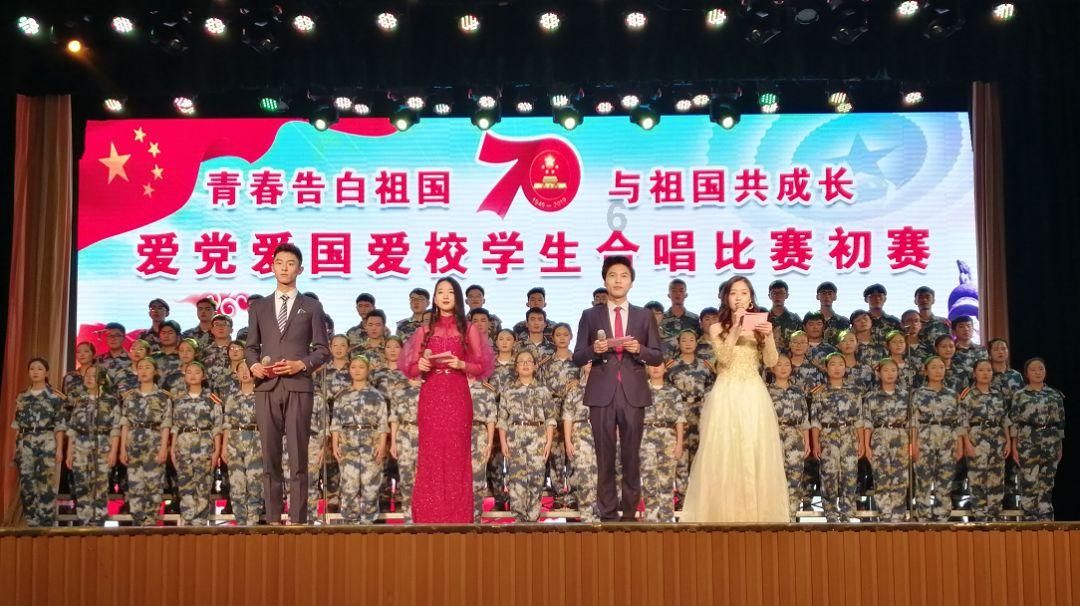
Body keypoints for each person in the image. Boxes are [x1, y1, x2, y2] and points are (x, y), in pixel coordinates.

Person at [679, 275, 788, 523]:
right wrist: (736, 327)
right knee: (725, 451)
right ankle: (723, 514)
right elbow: (724, 359)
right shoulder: (717, 327)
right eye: (733, 293)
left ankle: (757, 515)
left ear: (751, 299)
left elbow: (771, 361)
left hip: (753, 393)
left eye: (744, 293)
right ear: (726, 298)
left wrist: (769, 336)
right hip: (726, 393)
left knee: (754, 449)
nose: (738, 298)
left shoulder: (761, 325)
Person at [244, 242, 331, 524]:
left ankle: (298, 520)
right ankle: (271, 519)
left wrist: (300, 364)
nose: (284, 268)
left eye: (290, 263)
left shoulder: (312, 306)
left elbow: (323, 350)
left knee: (297, 456)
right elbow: (250, 347)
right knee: (269, 456)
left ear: (300, 269)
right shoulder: (259, 306)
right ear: (272, 267)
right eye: (279, 263)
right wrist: (254, 365)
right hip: (267, 387)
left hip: (298, 386)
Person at [572, 255, 663, 522]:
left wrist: (639, 349)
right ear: (605, 281)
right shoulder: (590, 315)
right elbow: (577, 356)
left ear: (631, 282)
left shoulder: (644, 315)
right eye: (612, 276)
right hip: (602, 393)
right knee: (605, 456)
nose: (618, 281)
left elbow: (657, 355)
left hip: (633, 392)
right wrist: (594, 349)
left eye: (624, 276)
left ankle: (630, 514)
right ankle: (608, 514)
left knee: (631, 456)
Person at [398, 276, 494, 523]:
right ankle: (428, 515)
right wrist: (421, 365)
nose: (445, 296)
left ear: (457, 297)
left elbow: (482, 365)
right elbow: (410, 367)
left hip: (457, 394)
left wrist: (461, 364)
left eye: (450, 292)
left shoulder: (468, 329)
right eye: (440, 291)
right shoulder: (424, 331)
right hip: (431, 395)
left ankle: (457, 516)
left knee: (457, 454)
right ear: (435, 297)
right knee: (430, 454)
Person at [497, 350, 556, 522]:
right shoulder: (508, 390)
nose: (525, 364)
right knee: (516, 479)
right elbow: (502, 420)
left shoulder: (543, 390)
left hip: (538, 438)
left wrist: (548, 443)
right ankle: (518, 519)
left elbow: (550, 419)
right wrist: (503, 443)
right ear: (516, 367)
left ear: (535, 366)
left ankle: (533, 519)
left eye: (529, 361)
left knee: (536, 478)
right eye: (521, 361)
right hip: (514, 437)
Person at [331, 355, 390, 523]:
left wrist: (382, 445)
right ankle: (350, 523)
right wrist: (335, 445)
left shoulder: (376, 395)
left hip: (370, 444)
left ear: (368, 370)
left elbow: (382, 423)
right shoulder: (342, 396)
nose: (357, 370)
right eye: (353, 367)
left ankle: (368, 522)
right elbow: (336, 423)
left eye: (361, 367)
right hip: (348, 444)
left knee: (370, 486)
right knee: (349, 486)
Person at [166, 361, 223, 526]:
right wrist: (172, 449)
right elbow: (175, 426)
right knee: (185, 485)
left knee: (203, 485)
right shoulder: (178, 399)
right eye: (189, 372)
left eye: (197, 372)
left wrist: (216, 452)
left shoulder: (212, 399)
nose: (192, 375)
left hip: (204, 445)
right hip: (183, 446)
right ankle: (187, 521)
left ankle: (200, 523)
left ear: (203, 376)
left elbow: (217, 427)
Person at [1008, 358, 1065, 521]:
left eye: (1041, 369)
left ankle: (1046, 523)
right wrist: (1014, 446)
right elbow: (1014, 422)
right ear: (1026, 374)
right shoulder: (1020, 395)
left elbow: (1060, 423)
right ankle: (1029, 524)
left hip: (1051, 443)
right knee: (1029, 484)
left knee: (1047, 485)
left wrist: (1060, 445)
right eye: (1033, 370)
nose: (1037, 372)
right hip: (1028, 443)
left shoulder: (1055, 395)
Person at [811, 353, 864, 523]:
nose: (837, 367)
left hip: (849, 436)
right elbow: (815, 421)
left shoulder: (854, 392)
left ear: (845, 368)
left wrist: (862, 442)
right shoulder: (819, 392)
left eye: (840, 364)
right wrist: (815, 444)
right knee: (829, 475)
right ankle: (831, 512)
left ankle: (847, 511)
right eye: (832, 364)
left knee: (850, 474)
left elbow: (859, 420)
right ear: (826, 368)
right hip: (828, 436)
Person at [13, 358, 67, 526]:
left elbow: (59, 426)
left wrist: (59, 449)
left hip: (46, 441)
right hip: (25, 443)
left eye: (39, 368)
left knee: (46, 483)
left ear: (46, 372)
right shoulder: (22, 397)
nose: (35, 372)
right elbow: (17, 425)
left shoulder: (55, 397)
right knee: (27, 485)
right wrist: (16, 448)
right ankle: (31, 523)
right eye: (32, 369)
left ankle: (46, 523)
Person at [910, 356, 964, 522]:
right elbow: (913, 422)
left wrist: (960, 445)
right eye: (933, 367)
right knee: (923, 481)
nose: (938, 370)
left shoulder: (952, 395)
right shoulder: (918, 394)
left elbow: (959, 421)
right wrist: (913, 444)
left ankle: (942, 517)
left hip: (948, 440)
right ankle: (923, 518)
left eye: (941, 367)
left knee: (945, 481)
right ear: (926, 371)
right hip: (924, 439)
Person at [64, 365, 120, 525]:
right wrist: (70, 452)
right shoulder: (80, 400)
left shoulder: (111, 401)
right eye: (87, 375)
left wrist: (113, 452)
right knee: (82, 486)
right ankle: (84, 523)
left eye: (93, 375)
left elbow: (115, 429)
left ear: (101, 380)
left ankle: (98, 524)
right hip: (80, 448)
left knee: (100, 487)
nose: (88, 378)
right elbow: (73, 428)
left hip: (102, 446)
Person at [118, 357, 171, 526]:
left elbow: (166, 424)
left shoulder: (162, 397)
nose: (143, 371)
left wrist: (163, 448)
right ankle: (137, 522)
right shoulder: (130, 397)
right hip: (133, 443)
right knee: (135, 484)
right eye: (140, 367)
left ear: (155, 372)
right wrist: (122, 449)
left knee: (153, 484)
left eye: (148, 367)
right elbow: (125, 424)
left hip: (154, 442)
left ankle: (151, 522)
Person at [861, 358, 912, 522]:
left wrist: (912, 444)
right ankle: (885, 516)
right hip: (880, 437)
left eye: (893, 370)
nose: (890, 374)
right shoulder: (871, 397)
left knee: (900, 478)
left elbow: (912, 423)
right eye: (886, 370)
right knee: (881, 477)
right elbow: (867, 423)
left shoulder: (906, 396)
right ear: (878, 373)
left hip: (901, 437)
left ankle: (898, 516)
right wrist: (867, 446)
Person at [961, 360, 1011, 520]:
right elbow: (962, 422)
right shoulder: (968, 394)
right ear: (974, 373)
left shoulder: (998, 394)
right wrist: (967, 444)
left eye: (989, 370)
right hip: (976, 440)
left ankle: (995, 518)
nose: (985, 373)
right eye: (981, 370)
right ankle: (980, 519)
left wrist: (1008, 441)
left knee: (997, 479)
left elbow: (1005, 420)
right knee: (977, 480)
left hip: (997, 440)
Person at [640, 363, 685, 523]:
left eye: (659, 365)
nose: (655, 368)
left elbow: (679, 419)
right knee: (649, 480)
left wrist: (679, 444)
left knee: (666, 481)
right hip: (646, 437)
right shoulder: (641, 390)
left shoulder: (673, 392)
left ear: (665, 369)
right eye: (652, 365)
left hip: (668, 438)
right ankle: (651, 519)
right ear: (647, 369)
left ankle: (667, 520)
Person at [767, 355, 811, 520]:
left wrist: (807, 442)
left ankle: (791, 516)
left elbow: (805, 419)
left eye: (787, 365)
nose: (784, 368)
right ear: (773, 369)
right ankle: (775, 516)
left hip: (796, 435)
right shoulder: (767, 391)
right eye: (779, 365)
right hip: (774, 436)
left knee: (795, 476)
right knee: (774, 476)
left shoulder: (798, 391)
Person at [221, 362, 263, 526]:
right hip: (234, 442)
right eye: (241, 370)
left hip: (256, 440)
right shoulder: (231, 398)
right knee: (236, 483)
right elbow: (227, 425)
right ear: (236, 374)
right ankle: (240, 522)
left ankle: (252, 522)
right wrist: (224, 447)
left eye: (248, 369)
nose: (245, 373)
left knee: (255, 482)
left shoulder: (261, 395)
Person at [562, 363, 598, 522]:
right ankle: (587, 515)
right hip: (580, 432)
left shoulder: (607, 386)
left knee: (600, 475)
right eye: (587, 360)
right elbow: (567, 416)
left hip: (601, 432)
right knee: (583, 474)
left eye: (593, 360)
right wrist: (568, 441)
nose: (590, 363)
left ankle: (599, 514)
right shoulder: (575, 389)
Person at [468, 375, 499, 522]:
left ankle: (475, 517)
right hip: (456, 435)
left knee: (478, 478)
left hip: (479, 434)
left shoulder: (486, 391)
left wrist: (489, 443)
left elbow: (491, 419)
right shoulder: (453, 385)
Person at [658, 279, 699, 356]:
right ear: (669, 295)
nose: (678, 293)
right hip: (666, 360)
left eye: (681, 291)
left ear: (686, 294)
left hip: (688, 361)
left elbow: (698, 340)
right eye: (674, 291)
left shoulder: (695, 318)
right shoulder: (661, 318)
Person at [766, 280, 803, 353]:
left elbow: (801, 341)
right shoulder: (763, 319)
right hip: (767, 358)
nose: (778, 296)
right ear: (769, 296)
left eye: (781, 293)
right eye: (774, 293)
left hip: (789, 359)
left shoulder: (795, 320)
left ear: (787, 295)